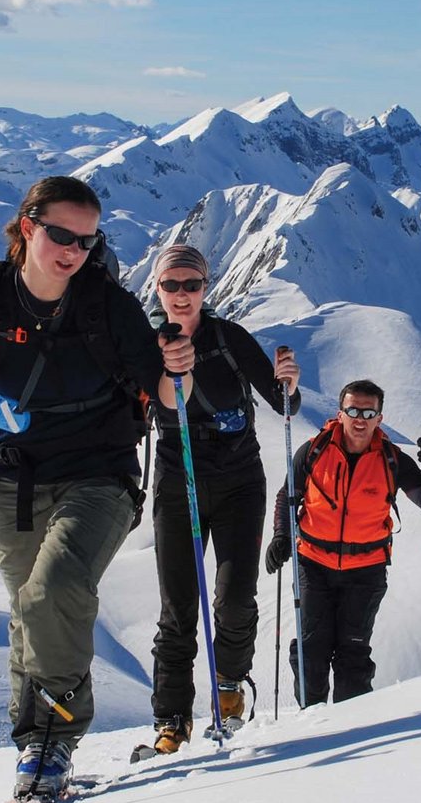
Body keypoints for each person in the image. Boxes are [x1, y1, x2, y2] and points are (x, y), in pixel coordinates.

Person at [0, 176, 191, 802]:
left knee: (53, 593)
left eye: (87, 241)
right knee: (29, 615)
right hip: (14, 475)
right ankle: (34, 747)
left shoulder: (106, 306)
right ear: (28, 227)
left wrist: (179, 370)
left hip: (101, 472)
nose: (74, 251)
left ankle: (55, 738)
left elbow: (168, 398)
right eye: (62, 235)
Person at [141, 244, 301, 756]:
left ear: (206, 288)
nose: (182, 294)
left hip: (237, 482)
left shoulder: (229, 339)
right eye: (172, 285)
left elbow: (283, 403)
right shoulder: (147, 348)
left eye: (192, 284)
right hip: (177, 482)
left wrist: (289, 387)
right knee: (178, 609)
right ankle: (172, 721)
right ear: (158, 289)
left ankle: (228, 685)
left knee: (234, 599)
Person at [263, 379, 421, 707]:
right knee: (311, 654)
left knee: (353, 657)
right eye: (353, 410)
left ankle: (354, 726)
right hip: (313, 564)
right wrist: (281, 536)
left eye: (368, 411)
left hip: (366, 571)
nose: (359, 418)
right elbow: (287, 495)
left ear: (379, 417)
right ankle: (310, 724)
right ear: (340, 413)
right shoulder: (314, 450)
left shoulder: (392, 459)